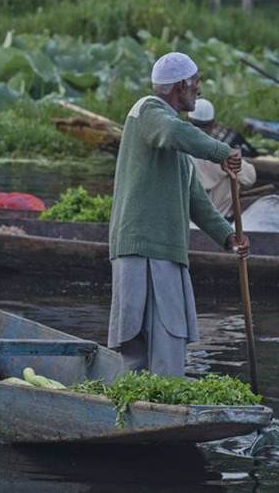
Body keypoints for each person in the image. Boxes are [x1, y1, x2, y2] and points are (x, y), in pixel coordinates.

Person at [107, 52, 250, 377]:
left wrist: (229, 238)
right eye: (196, 82)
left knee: (169, 345)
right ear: (181, 85)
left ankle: (163, 407)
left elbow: (196, 201)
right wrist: (221, 152)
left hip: (167, 250)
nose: (198, 89)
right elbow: (171, 132)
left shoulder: (178, 141)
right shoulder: (147, 111)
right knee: (135, 342)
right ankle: (135, 411)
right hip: (141, 246)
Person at [188, 98, 257, 219]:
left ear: (188, 121)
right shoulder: (219, 152)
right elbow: (250, 177)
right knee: (233, 176)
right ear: (213, 124)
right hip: (215, 216)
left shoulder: (175, 146)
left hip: (185, 213)